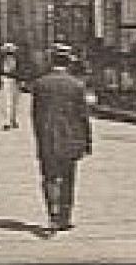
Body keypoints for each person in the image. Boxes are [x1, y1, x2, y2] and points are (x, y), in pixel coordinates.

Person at [30, 43, 91, 232]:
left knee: (49, 177)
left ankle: (53, 214)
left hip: (47, 139)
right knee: (68, 178)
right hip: (71, 140)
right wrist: (87, 141)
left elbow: (35, 115)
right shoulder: (77, 85)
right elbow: (83, 116)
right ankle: (65, 217)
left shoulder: (40, 84)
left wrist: (39, 137)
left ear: (52, 61)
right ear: (68, 62)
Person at [0, 43, 22, 129]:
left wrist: (20, 80)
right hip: (6, 79)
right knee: (7, 100)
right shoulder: (2, 60)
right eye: (8, 51)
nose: (9, 53)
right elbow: (0, 70)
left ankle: (13, 119)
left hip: (15, 80)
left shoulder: (18, 60)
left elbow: (21, 70)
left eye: (11, 51)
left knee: (15, 101)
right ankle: (7, 122)